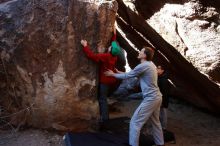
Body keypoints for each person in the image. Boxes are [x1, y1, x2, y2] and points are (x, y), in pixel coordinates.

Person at [105, 47, 165, 146]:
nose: (139, 52)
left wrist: (112, 74)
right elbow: (132, 74)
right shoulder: (150, 65)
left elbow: (127, 76)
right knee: (156, 123)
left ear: (144, 55)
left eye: (141, 51)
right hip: (158, 97)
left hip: (151, 98)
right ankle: (160, 143)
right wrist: (118, 72)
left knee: (134, 123)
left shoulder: (143, 66)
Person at [80, 26, 120, 122]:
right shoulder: (114, 56)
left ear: (110, 50)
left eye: (110, 47)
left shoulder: (106, 56)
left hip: (105, 81)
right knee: (104, 97)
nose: (109, 46)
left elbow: (92, 56)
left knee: (102, 99)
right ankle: (105, 117)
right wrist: (114, 34)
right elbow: (114, 45)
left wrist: (85, 46)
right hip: (112, 80)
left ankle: (105, 119)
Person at [157, 65, 170, 131]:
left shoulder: (163, 79)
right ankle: (161, 127)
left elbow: (165, 92)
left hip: (163, 100)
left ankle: (163, 128)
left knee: (163, 114)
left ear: (162, 70)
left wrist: (162, 102)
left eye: (158, 68)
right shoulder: (160, 78)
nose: (156, 69)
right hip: (161, 99)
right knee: (161, 113)